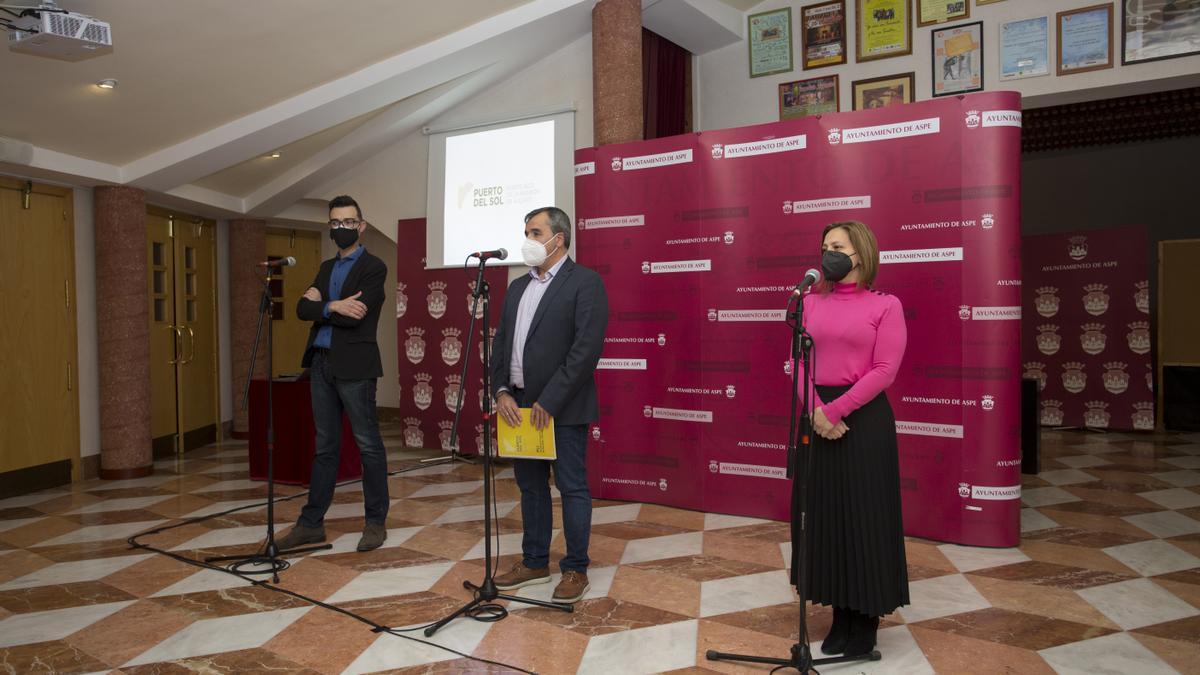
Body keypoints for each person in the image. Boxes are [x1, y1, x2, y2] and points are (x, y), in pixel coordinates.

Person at [794, 220, 909, 657]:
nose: (828, 253)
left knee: (864, 517)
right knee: (828, 519)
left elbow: (885, 370)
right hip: (818, 416)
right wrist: (815, 411)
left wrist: (835, 411)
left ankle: (865, 620)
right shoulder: (807, 302)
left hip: (863, 421)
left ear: (859, 253)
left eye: (837, 246)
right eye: (824, 246)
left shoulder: (886, 305)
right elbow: (797, 362)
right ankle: (840, 614)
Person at [490, 206, 609, 603]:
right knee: (530, 487)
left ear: (559, 239)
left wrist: (551, 399)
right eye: (526, 231)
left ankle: (575, 569)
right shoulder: (516, 287)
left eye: (535, 232)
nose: (528, 239)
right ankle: (535, 561)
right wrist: (502, 390)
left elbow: (585, 350)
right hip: (518, 406)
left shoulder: (585, 283)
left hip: (563, 407)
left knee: (572, 487)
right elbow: (501, 343)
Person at [277, 195, 391, 553]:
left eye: (348, 222)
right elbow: (300, 308)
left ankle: (375, 522)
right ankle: (311, 524)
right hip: (321, 363)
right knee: (324, 447)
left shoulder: (374, 267)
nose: (341, 228)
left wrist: (323, 307)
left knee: (368, 446)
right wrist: (331, 305)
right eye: (335, 223)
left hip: (355, 367)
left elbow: (354, 315)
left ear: (361, 226)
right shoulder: (326, 269)